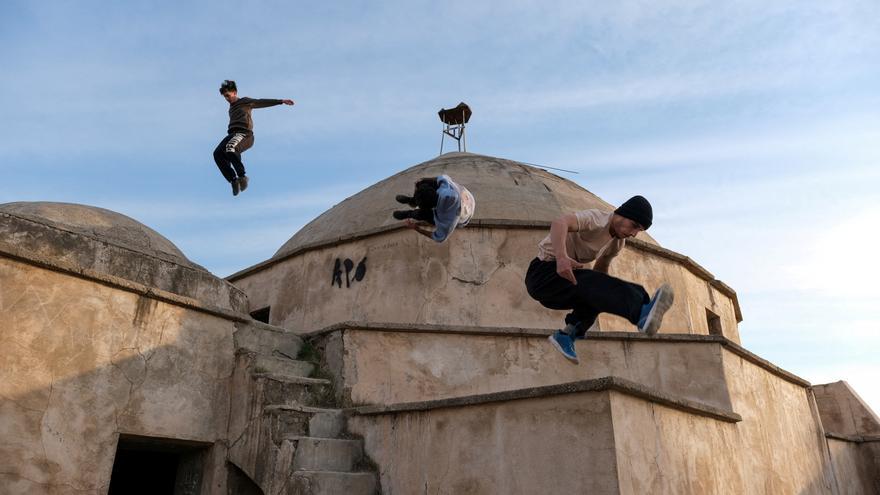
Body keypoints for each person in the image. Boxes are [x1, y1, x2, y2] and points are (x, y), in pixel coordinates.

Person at [524, 195, 674, 364]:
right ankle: (641, 312)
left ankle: (567, 335)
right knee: (596, 285)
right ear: (622, 214)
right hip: (543, 274)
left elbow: (601, 271)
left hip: (564, 282)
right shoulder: (597, 219)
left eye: (639, 231)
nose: (634, 234)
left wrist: (609, 295)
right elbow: (560, 222)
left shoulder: (617, 243)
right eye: (634, 226)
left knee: (599, 292)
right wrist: (561, 257)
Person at [214, 80, 294, 196]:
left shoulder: (245, 101)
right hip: (232, 134)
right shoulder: (231, 108)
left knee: (230, 148)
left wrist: (280, 101)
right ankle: (233, 180)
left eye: (228, 96)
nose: (227, 99)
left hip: (245, 134)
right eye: (225, 97)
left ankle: (242, 177)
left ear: (235, 93)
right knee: (217, 154)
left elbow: (260, 102)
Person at [393, 175, 475, 243]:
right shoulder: (445, 186)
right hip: (466, 195)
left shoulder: (447, 220)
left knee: (421, 215)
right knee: (421, 182)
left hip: (464, 216)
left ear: (429, 208)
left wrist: (416, 228)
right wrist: (420, 181)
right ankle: (412, 201)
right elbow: (440, 177)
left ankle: (409, 213)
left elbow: (439, 238)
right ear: (434, 191)